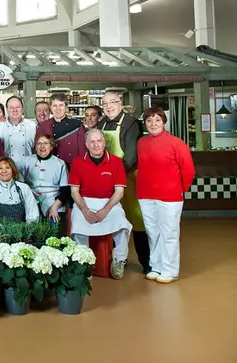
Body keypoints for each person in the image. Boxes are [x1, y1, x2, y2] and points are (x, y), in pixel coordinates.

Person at [136, 107, 195, 284]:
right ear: (145, 123)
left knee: (169, 232)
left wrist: (179, 189)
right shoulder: (142, 142)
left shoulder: (176, 143)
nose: (153, 124)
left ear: (163, 122)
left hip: (170, 196)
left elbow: (188, 170)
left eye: (157, 120)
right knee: (152, 232)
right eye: (149, 121)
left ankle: (170, 270)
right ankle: (156, 266)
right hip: (145, 194)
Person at [68, 129, 132, 279]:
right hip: (84, 202)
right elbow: (74, 191)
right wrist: (85, 211)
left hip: (110, 203)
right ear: (86, 145)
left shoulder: (116, 162)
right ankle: (83, 263)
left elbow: (119, 192)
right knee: (78, 225)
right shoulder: (78, 162)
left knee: (122, 225)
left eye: (99, 141)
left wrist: (105, 210)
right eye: (92, 142)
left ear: (104, 143)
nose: (96, 145)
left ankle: (119, 259)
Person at [97, 92, 149, 274]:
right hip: (107, 179)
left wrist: (116, 177)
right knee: (113, 219)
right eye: (105, 103)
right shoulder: (102, 123)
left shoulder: (131, 123)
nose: (109, 106)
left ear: (121, 103)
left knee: (136, 219)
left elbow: (131, 154)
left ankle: (147, 262)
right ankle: (118, 258)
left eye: (113, 102)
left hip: (128, 178)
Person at [19, 134, 70, 222]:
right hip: (31, 200)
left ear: (51, 146)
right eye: (39, 143)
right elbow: (20, 185)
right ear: (35, 147)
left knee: (54, 231)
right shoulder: (26, 161)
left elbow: (65, 189)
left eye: (46, 143)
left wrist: (55, 207)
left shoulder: (60, 163)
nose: (42, 146)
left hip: (54, 202)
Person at [36, 93, 87, 168]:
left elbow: (83, 151)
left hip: (73, 168)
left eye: (61, 105)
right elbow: (38, 149)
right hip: (51, 167)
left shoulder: (77, 125)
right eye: (54, 105)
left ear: (66, 107)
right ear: (50, 108)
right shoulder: (44, 126)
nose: (58, 109)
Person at [0, 157, 39, 223]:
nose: (4, 171)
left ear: (13, 170)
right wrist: (0, 232)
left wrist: (26, 231)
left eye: (7, 167)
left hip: (22, 230)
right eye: (0, 168)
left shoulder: (24, 188)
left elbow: (32, 215)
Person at [0, 96, 36, 170]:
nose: (14, 110)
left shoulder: (32, 125)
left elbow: (36, 148)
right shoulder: (0, 126)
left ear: (22, 109)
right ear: (7, 110)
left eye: (18, 107)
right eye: (11, 107)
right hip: (7, 170)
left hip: (29, 168)